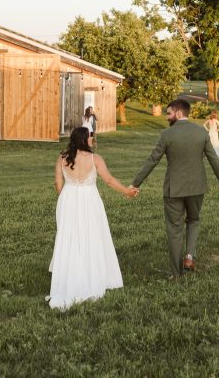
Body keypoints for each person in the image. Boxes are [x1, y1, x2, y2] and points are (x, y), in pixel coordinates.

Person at [130, 99, 219, 278]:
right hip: (197, 187)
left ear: (178, 113)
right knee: (193, 220)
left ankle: (176, 274)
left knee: (174, 229)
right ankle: (189, 257)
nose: (167, 117)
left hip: (173, 189)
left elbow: (152, 160)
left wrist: (135, 183)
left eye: (168, 113)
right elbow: (214, 158)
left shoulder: (167, 134)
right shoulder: (201, 132)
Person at [48, 127, 136, 310]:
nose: (92, 139)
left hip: (68, 198)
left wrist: (65, 198)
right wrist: (127, 191)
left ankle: (69, 274)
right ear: (83, 139)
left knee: (69, 237)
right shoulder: (95, 159)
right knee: (92, 235)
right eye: (90, 136)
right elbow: (109, 181)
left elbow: (58, 183)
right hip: (89, 200)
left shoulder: (63, 158)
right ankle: (93, 273)